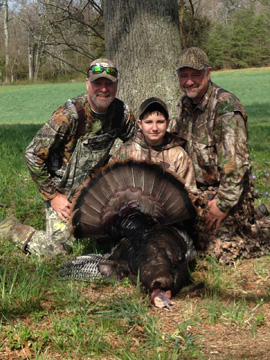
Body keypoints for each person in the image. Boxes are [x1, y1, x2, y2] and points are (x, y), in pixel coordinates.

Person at [0, 58, 136, 257]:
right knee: (58, 250)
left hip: (97, 190)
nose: (104, 89)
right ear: (88, 83)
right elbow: (32, 154)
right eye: (98, 83)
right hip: (64, 193)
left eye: (109, 84)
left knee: (117, 237)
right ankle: (11, 228)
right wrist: (54, 197)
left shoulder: (121, 113)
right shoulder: (69, 115)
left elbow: (137, 143)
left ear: (116, 85)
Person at [172, 47, 270, 264]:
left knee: (219, 253)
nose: (189, 81)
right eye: (184, 76)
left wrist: (222, 205)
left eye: (196, 75)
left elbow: (235, 166)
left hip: (225, 192)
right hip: (195, 191)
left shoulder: (225, 106)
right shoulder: (183, 105)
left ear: (208, 73)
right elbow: (172, 144)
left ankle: (261, 231)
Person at [110, 97, 196, 190]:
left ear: (167, 123)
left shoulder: (179, 156)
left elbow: (190, 194)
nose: (154, 128)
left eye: (160, 122)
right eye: (149, 122)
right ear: (140, 124)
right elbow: (110, 185)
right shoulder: (127, 151)